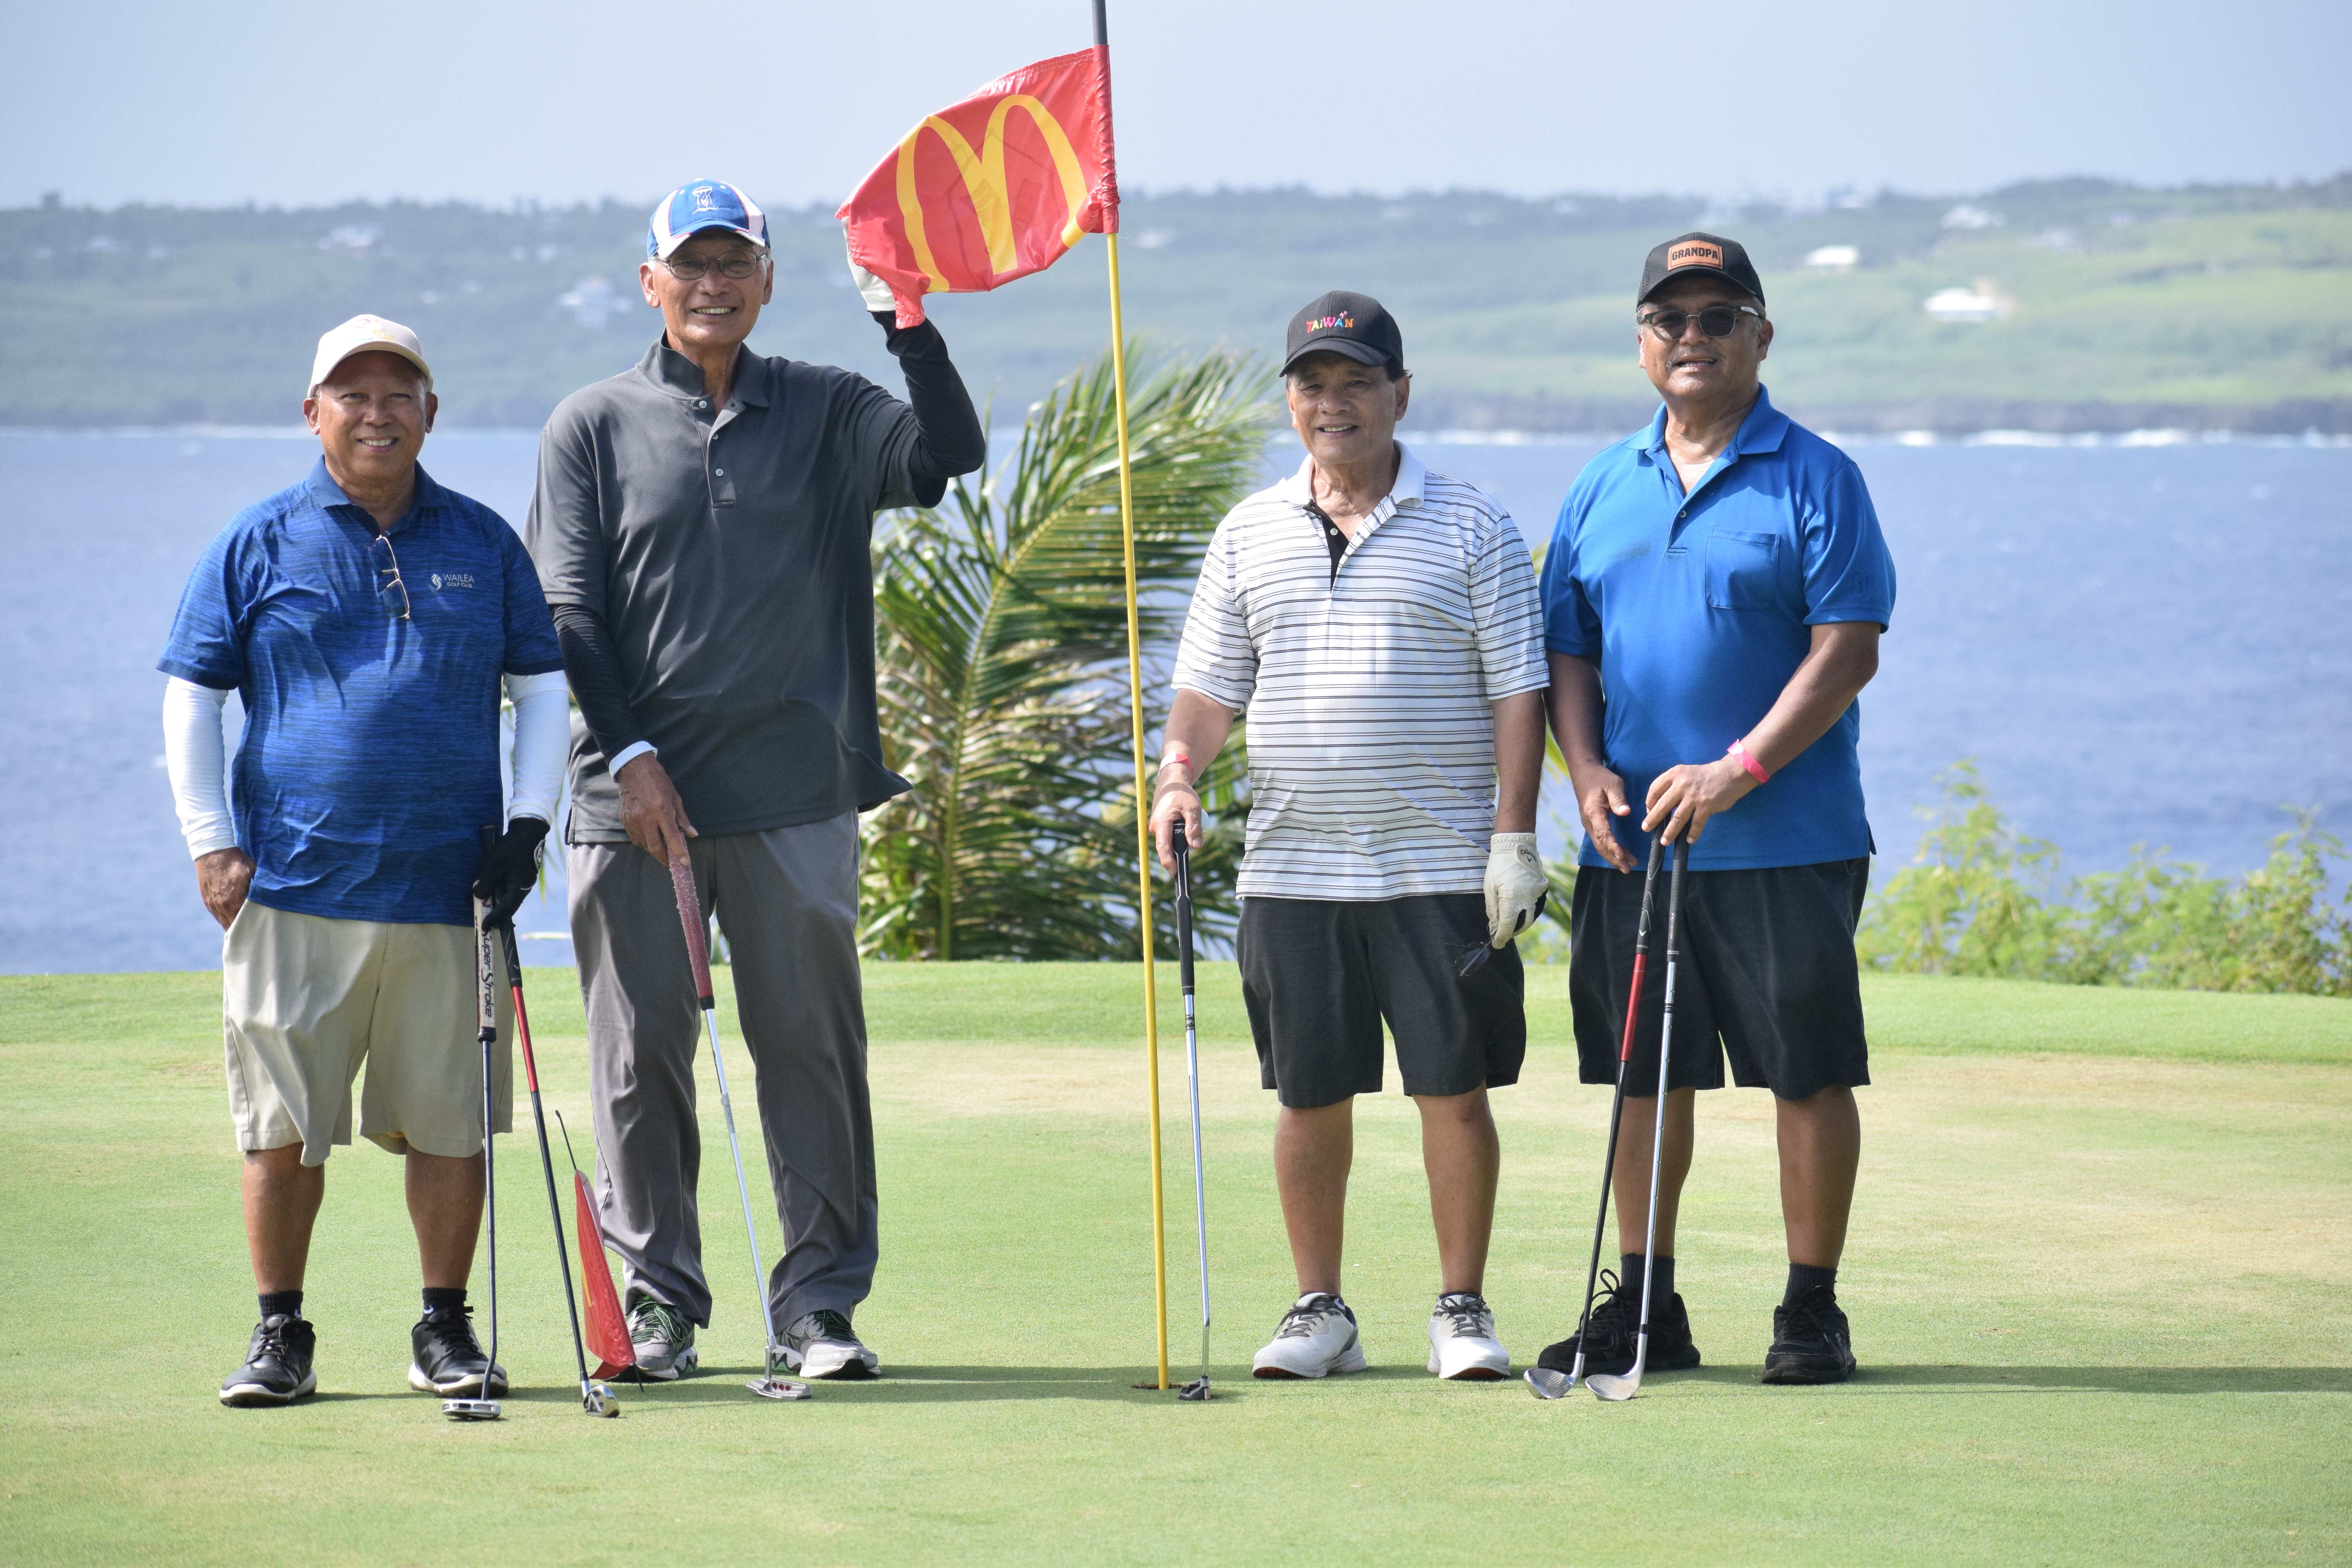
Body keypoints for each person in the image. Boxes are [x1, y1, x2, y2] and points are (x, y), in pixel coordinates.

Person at [526, 180, 986, 1381]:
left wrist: (909, 324)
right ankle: (660, 1299)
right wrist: (630, 758)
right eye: (691, 265)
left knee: (810, 1055)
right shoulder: (592, 422)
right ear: (651, 283)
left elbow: (950, 453)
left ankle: (819, 1305)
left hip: (795, 791)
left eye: (736, 263)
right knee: (638, 1062)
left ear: (770, 280)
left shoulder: (831, 408)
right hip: (628, 801)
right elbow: (570, 611)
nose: (712, 284)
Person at [159, 314, 570, 1406]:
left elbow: (539, 687)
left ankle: (443, 1329)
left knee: (449, 1125)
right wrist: (212, 844)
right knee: (283, 1130)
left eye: (400, 393)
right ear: (314, 413)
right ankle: (279, 1337)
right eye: (353, 393)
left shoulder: (482, 543)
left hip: (450, 888)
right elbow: (191, 695)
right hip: (294, 885)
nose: (377, 410)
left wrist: (529, 824)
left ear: (431, 413)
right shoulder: (257, 541)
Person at [1152, 291, 1550, 1383]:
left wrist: (1515, 838)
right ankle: (1319, 1307)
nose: (1335, 405)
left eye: (1358, 383)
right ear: (1293, 401)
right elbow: (1206, 695)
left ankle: (1461, 1309)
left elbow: (1522, 693)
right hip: (1291, 867)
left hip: (1439, 867)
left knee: (1451, 1091)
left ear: (1400, 395)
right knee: (1307, 1095)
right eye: (1315, 386)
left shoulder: (1471, 524)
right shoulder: (1249, 534)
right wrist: (1176, 780)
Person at [1534, 233, 1896, 1386]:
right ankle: (1647, 1311)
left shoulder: (1818, 474)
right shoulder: (1604, 479)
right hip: (1633, 846)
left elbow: (1847, 652)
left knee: (1808, 1073)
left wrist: (1739, 767)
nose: (1693, 338)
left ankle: (1810, 1312)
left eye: (1719, 316)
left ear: (1761, 336)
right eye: (1671, 320)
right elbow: (1568, 650)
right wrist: (1584, 771)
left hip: (1788, 840)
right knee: (1645, 1076)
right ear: (1643, 341)